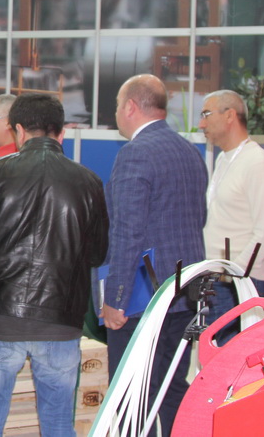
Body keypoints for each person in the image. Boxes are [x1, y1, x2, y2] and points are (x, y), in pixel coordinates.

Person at [0, 93, 109, 437]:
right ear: (62, 133)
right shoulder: (89, 182)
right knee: (58, 425)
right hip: (61, 321)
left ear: (18, 130)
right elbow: (97, 254)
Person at [101, 74, 207, 437]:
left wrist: (116, 298)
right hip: (184, 295)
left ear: (131, 106)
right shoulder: (190, 151)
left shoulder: (135, 153)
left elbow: (127, 232)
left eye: (117, 105)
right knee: (171, 388)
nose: (117, 112)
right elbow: (198, 219)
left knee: (132, 398)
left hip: (143, 301)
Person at [199, 89, 264, 341]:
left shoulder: (258, 163)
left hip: (241, 282)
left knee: (236, 357)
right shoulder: (224, 159)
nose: (201, 124)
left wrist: (233, 273)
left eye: (206, 114)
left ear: (230, 115)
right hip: (219, 280)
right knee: (215, 356)